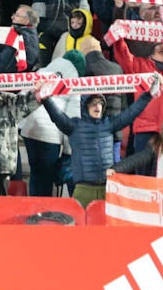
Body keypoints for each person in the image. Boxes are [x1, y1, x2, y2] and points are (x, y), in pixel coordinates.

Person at [41, 78, 156, 206]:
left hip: (107, 187)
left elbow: (131, 113)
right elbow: (57, 116)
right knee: (81, 224)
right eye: (93, 103)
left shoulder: (109, 124)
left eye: (100, 103)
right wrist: (46, 99)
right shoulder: (74, 126)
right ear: (85, 106)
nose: (97, 106)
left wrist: (148, 94)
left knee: (106, 225)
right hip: (83, 190)